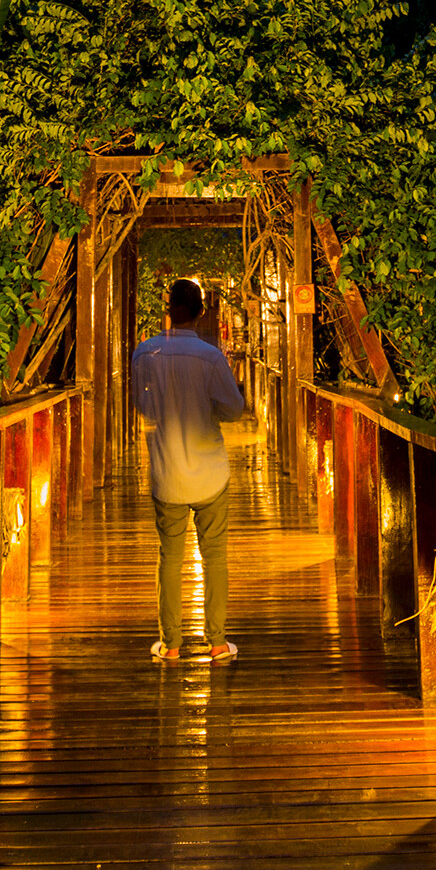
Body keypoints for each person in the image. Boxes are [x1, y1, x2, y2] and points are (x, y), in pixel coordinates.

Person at [131, 275, 250, 663]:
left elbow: (143, 407)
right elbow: (233, 410)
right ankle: (217, 643)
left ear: (169, 309)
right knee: (214, 555)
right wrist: (208, 407)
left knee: (170, 556)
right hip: (210, 470)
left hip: (167, 469)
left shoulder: (145, 353)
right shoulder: (212, 357)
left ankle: (171, 644)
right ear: (201, 312)